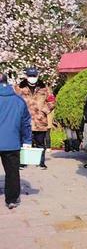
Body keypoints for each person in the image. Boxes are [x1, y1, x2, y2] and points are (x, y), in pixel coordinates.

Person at [0, 73, 32, 209]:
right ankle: (12, 199)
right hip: (12, 142)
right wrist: (27, 140)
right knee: (12, 172)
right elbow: (26, 123)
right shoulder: (19, 101)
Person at [15, 67, 54, 169]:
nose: (32, 78)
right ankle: (22, 162)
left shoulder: (45, 88)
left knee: (41, 143)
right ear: (26, 76)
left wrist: (43, 111)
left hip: (40, 121)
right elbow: (14, 101)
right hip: (24, 121)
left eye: (34, 76)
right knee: (23, 143)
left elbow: (52, 101)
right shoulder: (19, 88)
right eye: (30, 76)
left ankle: (41, 162)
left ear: (37, 76)